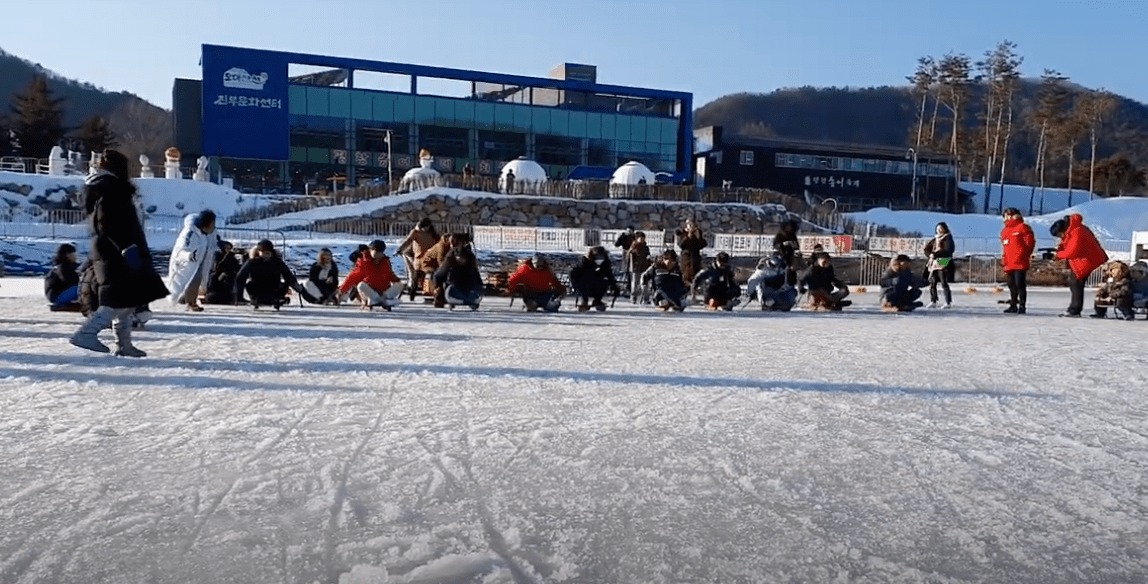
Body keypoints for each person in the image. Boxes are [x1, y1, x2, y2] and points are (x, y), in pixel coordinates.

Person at [69, 149, 169, 356]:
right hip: (117, 252)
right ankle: (87, 333)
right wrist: (127, 247)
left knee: (128, 299)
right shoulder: (112, 190)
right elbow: (109, 224)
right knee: (115, 299)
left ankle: (124, 344)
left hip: (111, 250)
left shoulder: (103, 189)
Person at [1051, 214, 1108, 317]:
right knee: (1095, 286)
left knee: (1076, 283)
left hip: (1090, 261)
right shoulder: (1073, 230)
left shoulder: (1076, 232)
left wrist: (1058, 255)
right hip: (1088, 260)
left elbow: (1073, 251)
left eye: (1059, 235)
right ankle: (1098, 311)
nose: (1060, 237)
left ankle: (1075, 310)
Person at [234, 239, 311, 310]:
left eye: (268, 251)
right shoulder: (252, 262)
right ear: (258, 252)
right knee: (250, 284)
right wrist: (239, 297)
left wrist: (297, 287)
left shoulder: (277, 262)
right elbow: (240, 277)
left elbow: (288, 276)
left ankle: (277, 298)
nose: (266, 253)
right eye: (263, 251)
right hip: (257, 289)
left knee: (283, 285)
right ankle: (258, 299)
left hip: (274, 289)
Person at [167, 209, 218, 312]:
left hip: (201, 259)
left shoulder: (208, 232)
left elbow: (214, 242)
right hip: (189, 261)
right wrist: (189, 256)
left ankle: (187, 299)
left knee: (199, 280)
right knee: (191, 280)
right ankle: (191, 302)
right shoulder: (190, 232)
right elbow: (181, 249)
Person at [339, 239, 403, 310]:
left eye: (379, 252)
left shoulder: (385, 262)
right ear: (370, 250)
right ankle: (376, 300)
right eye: (375, 250)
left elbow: (389, 274)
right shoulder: (363, 262)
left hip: (383, 291)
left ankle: (383, 299)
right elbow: (352, 277)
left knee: (399, 284)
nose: (377, 255)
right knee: (361, 285)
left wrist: (397, 282)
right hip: (370, 290)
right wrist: (341, 291)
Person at [1000, 207, 1036, 314]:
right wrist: (1004, 260)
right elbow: (1005, 248)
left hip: (1020, 262)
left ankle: (1022, 305)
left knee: (1019, 284)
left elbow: (1029, 244)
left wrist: (1024, 255)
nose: (1007, 218)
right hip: (1009, 262)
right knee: (1011, 285)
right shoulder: (1005, 231)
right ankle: (1013, 304)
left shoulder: (1023, 227)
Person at [433, 234, 483, 309]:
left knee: (440, 279)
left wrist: (436, 284)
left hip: (456, 290)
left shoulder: (452, 255)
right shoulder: (469, 256)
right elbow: (476, 273)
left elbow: (440, 273)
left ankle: (442, 299)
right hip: (468, 291)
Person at [398, 218, 440, 300]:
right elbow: (408, 241)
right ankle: (418, 287)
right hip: (421, 259)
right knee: (421, 272)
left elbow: (438, 244)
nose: (423, 229)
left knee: (424, 273)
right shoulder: (416, 232)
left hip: (427, 259)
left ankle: (424, 288)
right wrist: (400, 249)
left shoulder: (433, 234)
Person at [569, 245, 620, 311]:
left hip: (597, 287)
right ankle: (584, 301)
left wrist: (614, 286)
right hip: (585, 287)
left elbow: (609, 275)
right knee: (585, 281)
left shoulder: (605, 265)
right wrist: (575, 287)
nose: (599, 259)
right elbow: (573, 275)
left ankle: (597, 300)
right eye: (597, 257)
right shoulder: (584, 264)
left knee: (604, 282)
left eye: (601, 257)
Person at [922, 221, 955, 309]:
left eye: (941, 229)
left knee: (943, 282)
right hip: (934, 262)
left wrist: (936, 255)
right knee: (932, 282)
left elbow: (948, 250)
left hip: (943, 261)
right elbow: (927, 249)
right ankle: (933, 300)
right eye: (938, 229)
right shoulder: (935, 239)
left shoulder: (948, 238)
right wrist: (930, 255)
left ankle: (948, 302)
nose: (939, 231)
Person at [45, 243, 81, 311]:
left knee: (79, 288)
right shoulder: (62, 267)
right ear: (66, 255)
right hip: (57, 297)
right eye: (72, 254)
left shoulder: (65, 266)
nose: (75, 256)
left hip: (56, 296)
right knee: (79, 288)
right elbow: (70, 281)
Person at [203, 240, 241, 305]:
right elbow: (217, 267)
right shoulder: (216, 256)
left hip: (226, 289)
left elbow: (236, 268)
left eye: (229, 249)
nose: (228, 250)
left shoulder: (231, 258)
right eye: (226, 248)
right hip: (215, 286)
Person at [676, 219, 707, 285]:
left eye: (692, 225)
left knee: (696, 278)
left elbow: (702, 244)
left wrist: (697, 235)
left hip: (695, 260)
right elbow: (681, 244)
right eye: (689, 225)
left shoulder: (698, 234)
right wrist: (688, 236)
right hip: (686, 261)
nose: (691, 227)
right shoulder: (682, 235)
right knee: (685, 278)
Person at [772, 219, 802, 285]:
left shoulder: (792, 236)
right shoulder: (780, 235)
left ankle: (791, 282)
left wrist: (797, 253)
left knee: (791, 271)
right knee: (782, 270)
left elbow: (796, 246)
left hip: (790, 257)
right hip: (781, 257)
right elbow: (776, 246)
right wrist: (783, 246)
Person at [627, 231, 653, 303]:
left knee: (645, 284)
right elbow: (629, 255)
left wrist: (649, 261)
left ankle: (646, 298)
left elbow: (648, 256)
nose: (642, 239)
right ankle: (633, 297)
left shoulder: (645, 247)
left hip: (644, 268)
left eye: (643, 238)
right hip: (636, 268)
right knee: (635, 283)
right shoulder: (634, 246)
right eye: (640, 238)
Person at [614, 227, 636, 292]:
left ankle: (631, 288)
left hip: (634, 256)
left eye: (630, 231)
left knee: (632, 273)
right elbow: (616, 244)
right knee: (627, 272)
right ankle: (628, 288)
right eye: (627, 231)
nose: (628, 232)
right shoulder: (623, 237)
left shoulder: (635, 237)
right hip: (626, 255)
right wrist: (620, 237)